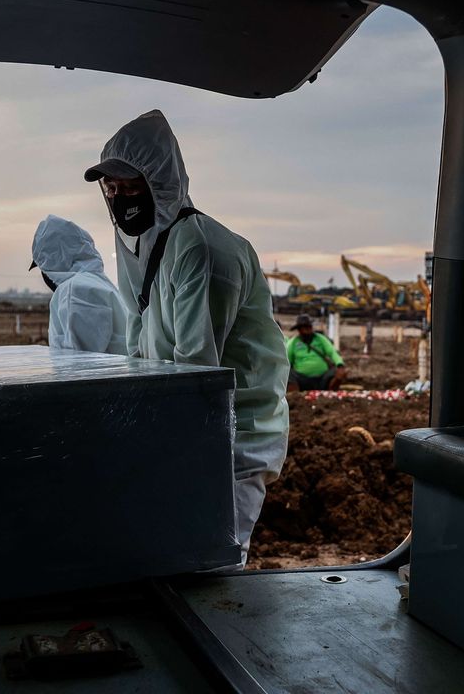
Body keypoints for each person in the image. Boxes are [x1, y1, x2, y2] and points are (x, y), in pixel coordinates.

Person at [83, 109, 289, 565]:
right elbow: (142, 347)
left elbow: (197, 371)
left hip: (231, 440)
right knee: (180, 559)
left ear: (160, 183)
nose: (119, 198)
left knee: (212, 568)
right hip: (186, 429)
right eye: (111, 189)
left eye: (129, 186)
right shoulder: (152, 247)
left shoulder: (203, 250)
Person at [29, 214, 129, 354]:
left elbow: (80, 365)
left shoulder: (76, 290)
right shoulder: (98, 283)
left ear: (52, 262)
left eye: (42, 267)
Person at [285, 314, 347, 392]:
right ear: (299, 329)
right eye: (305, 327)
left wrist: (340, 365)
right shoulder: (293, 343)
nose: (309, 329)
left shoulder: (320, 339)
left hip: (322, 378)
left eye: (309, 326)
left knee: (337, 372)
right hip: (302, 380)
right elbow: (287, 361)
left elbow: (332, 352)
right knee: (288, 373)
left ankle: (331, 392)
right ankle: (295, 395)